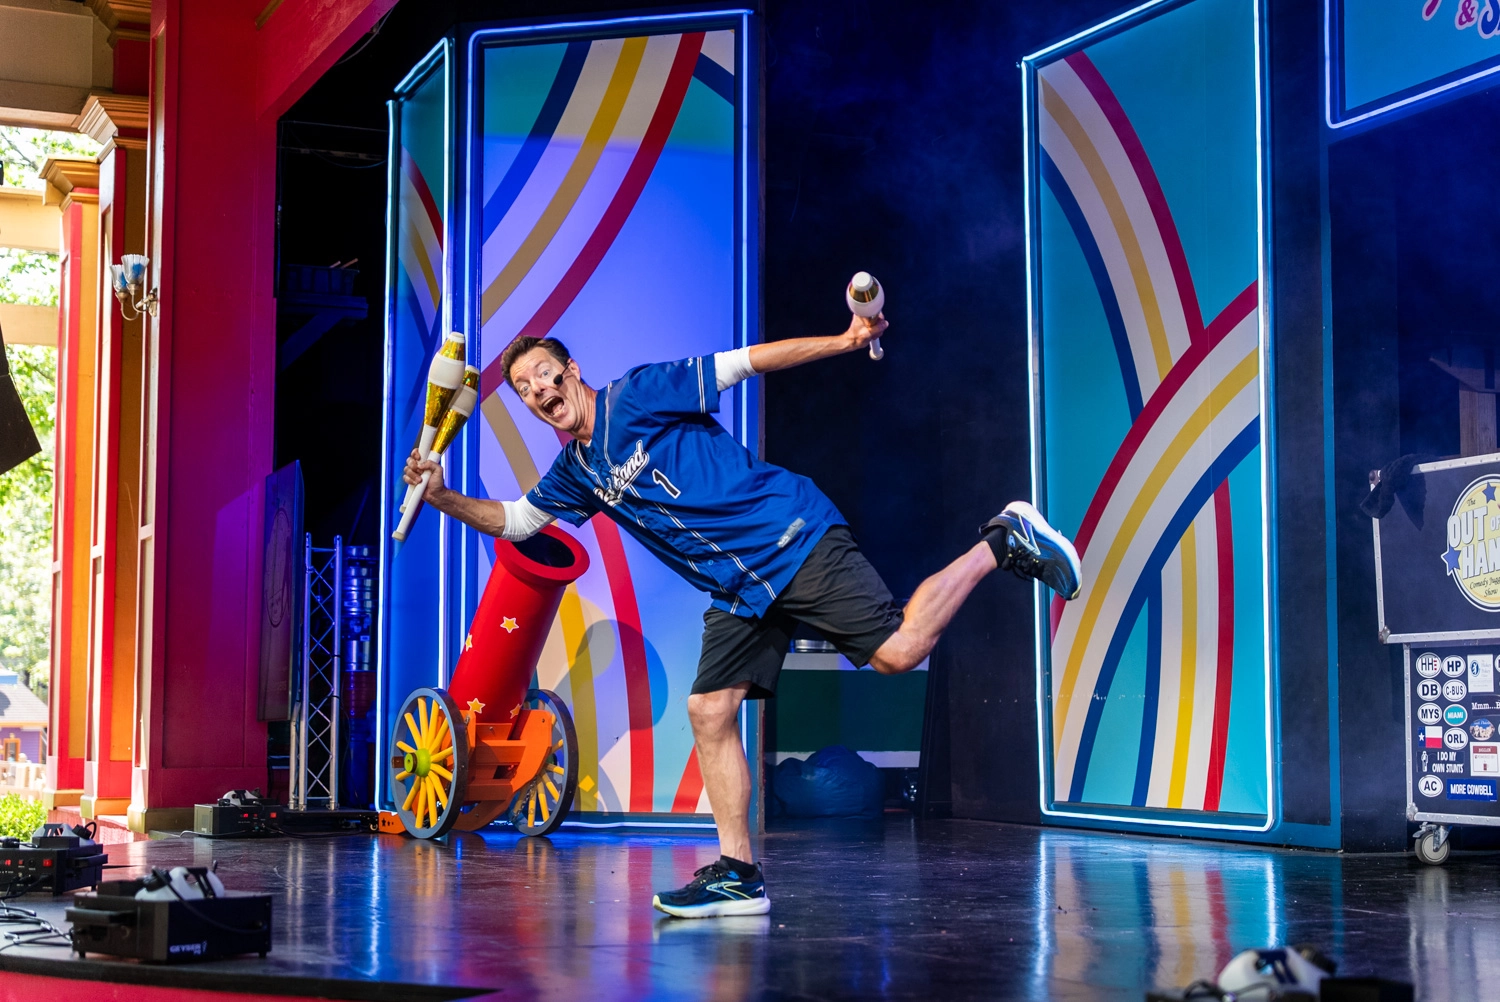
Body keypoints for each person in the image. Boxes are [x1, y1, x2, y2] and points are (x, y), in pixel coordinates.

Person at [402, 311, 1082, 919]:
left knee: (898, 653)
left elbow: (746, 362)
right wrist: (442, 497)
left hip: (790, 537)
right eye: (524, 389)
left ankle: (1003, 539)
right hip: (738, 587)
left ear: (571, 370)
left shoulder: (637, 394)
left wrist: (844, 341)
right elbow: (518, 520)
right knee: (709, 710)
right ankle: (738, 876)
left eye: (543, 375)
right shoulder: (576, 471)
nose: (538, 391)